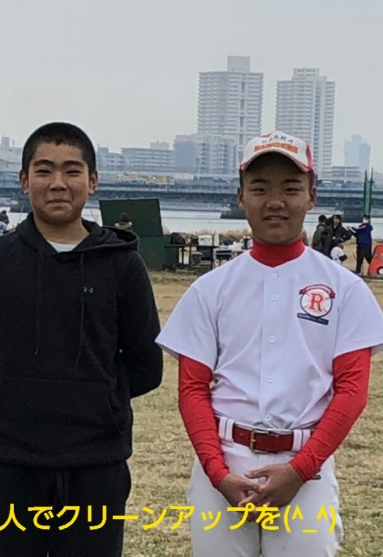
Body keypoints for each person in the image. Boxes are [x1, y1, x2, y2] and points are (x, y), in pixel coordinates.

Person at [0, 121, 164, 557]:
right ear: (24, 180)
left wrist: (97, 392)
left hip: (96, 465)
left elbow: (146, 366)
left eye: (72, 170)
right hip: (8, 463)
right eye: (44, 170)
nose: (58, 183)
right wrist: (4, 381)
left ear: (92, 181)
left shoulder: (122, 265)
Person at [155, 130, 383, 557]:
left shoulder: (346, 289)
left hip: (306, 465)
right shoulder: (210, 289)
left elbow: (352, 390)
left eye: (290, 188)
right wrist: (217, 472)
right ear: (241, 196)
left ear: (312, 196)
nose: (275, 201)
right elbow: (192, 389)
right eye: (260, 188)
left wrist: (300, 470)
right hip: (225, 461)